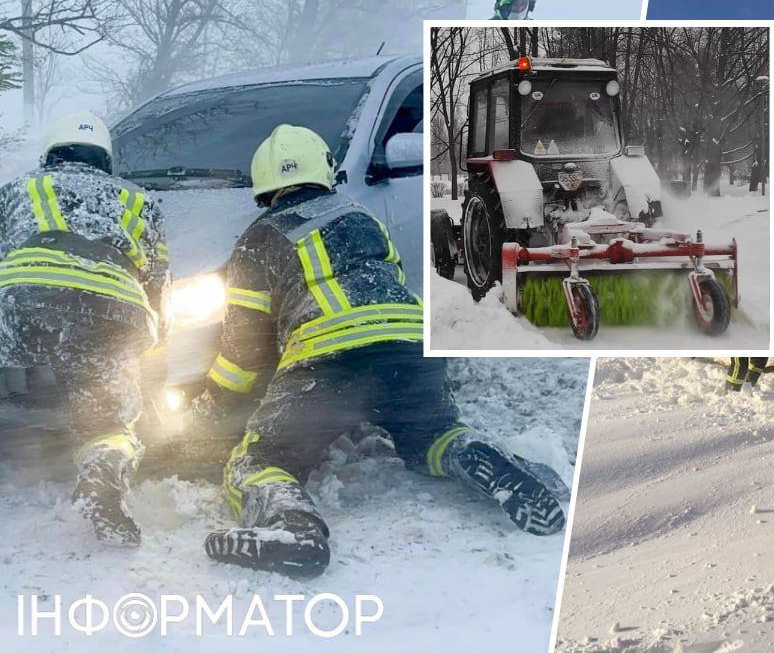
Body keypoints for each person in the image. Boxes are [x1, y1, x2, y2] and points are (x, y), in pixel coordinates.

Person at [192, 124, 566, 577]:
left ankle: (293, 528)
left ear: (263, 186)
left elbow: (243, 356)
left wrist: (212, 407)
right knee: (431, 434)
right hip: (410, 353)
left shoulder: (257, 240)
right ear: (322, 170)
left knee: (261, 459)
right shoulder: (362, 218)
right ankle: (475, 454)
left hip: (328, 365)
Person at [0, 111, 170, 546]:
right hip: (111, 311)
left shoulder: (18, 189)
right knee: (109, 417)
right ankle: (102, 471)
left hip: (21, 301)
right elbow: (157, 281)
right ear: (107, 161)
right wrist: (150, 346)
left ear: (49, 156)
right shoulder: (140, 200)